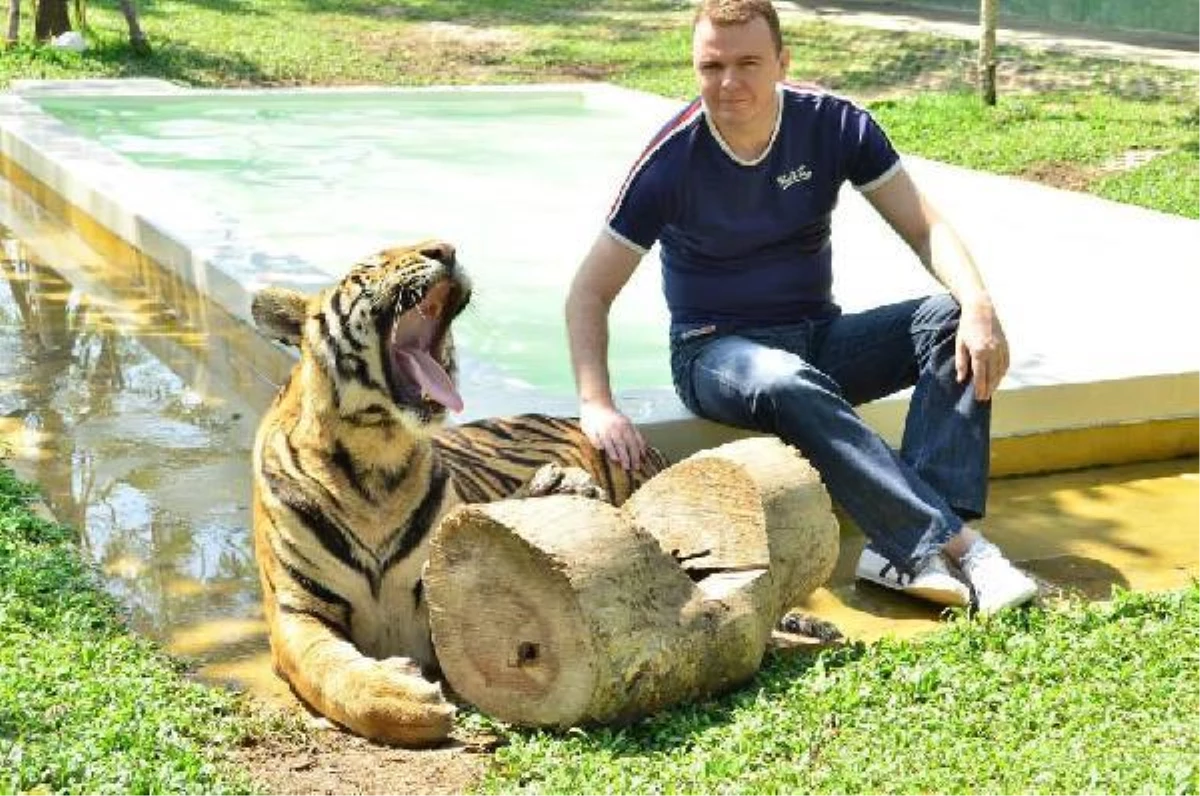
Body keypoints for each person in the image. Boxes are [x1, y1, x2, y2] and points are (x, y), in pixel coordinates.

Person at [564, 0, 1038, 613]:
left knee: (949, 322)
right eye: (711, 66)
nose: (728, 83)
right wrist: (596, 403)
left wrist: (977, 303)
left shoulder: (834, 125)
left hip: (818, 336)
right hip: (715, 352)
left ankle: (901, 552)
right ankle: (960, 547)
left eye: (748, 63)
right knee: (783, 377)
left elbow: (925, 228)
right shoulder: (670, 163)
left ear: (783, 63)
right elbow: (588, 291)